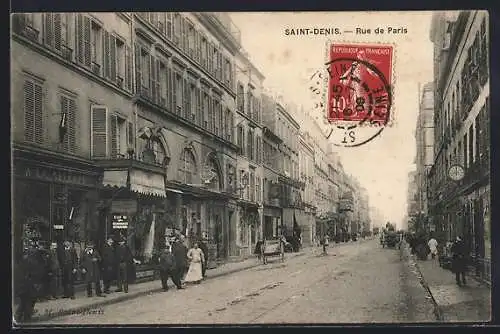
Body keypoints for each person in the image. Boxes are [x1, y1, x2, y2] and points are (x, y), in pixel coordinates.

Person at [14, 239, 45, 322]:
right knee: (28, 303)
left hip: (25, 286)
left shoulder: (25, 260)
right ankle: (23, 319)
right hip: (29, 286)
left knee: (25, 303)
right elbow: (36, 274)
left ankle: (19, 318)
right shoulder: (34, 262)